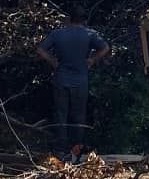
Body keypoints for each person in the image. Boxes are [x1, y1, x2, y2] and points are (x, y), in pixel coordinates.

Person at [38, 19, 108, 159]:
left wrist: (52, 60)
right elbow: (105, 47)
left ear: (68, 19)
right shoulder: (89, 34)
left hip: (61, 79)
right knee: (79, 115)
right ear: (83, 19)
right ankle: (77, 150)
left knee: (61, 114)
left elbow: (40, 49)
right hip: (80, 81)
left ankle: (61, 149)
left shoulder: (58, 33)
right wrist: (92, 59)